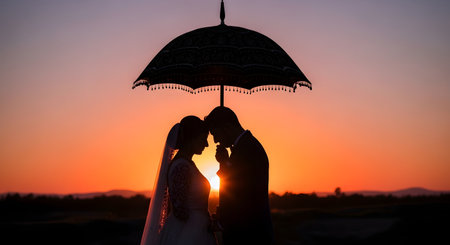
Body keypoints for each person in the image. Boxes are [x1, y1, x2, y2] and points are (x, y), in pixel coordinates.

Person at [141, 116, 217, 245]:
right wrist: (199, 223)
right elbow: (179, 208)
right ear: (191, 139)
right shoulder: (181, 167)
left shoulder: (187, 164)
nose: (206, 144)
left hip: (196, 230)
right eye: (203, 139)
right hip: (186, 233)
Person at [205, 106, 274, 245]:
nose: (215, 140)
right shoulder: (244, 147)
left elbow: (240, 191)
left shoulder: (249, 150)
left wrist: (224, 164)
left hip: (249, 235)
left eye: (215, 133)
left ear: (227, 127)